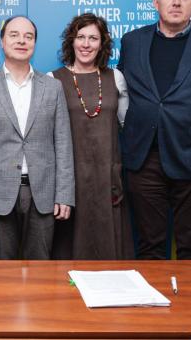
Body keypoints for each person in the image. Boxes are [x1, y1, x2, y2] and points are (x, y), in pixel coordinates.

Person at [0, 16, 74, 260]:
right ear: (2, 41)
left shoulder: (53, 87)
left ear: (35, 43)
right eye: (14, 35)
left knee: (40, 267)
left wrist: (64, 194)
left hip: (43, 194)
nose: (22, 41)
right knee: (3, 268)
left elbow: (63, 144)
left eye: (29, 36)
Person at [118, 0, 191, 259]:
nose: (176, 2)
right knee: (149, 246)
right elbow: (122, 91)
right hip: (144, 160)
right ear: (156, 2)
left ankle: (190, 293)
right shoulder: (132, 41)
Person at [50, 13, 134, 260]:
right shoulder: (53, 80)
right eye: (81, 37)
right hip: (70, 178)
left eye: (93, 38)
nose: (86, 44)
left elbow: (126, 125)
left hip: (108, 177)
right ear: (72, 41)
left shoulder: (115, 77)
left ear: (102, 43)